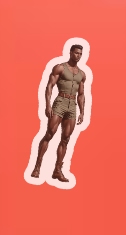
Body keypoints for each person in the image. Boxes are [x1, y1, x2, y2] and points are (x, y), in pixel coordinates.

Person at [31, 44, 86, 183]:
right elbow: (49, 86)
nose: (78, 55)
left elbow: (81, 94)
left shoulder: (82, 74)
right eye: (76, 53)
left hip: (72, 106)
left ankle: (57, 170)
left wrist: (82, 112)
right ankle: (37, 167)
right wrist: (48, 105)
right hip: (60, 102)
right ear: (71, 52)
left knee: (66, 139)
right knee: (50, 133)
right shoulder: (60, 67)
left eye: (80, 53)